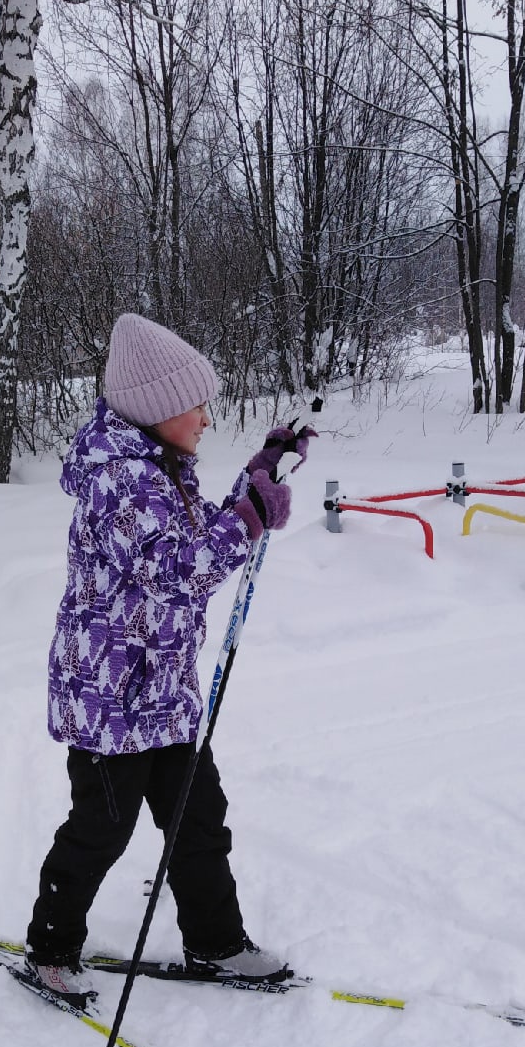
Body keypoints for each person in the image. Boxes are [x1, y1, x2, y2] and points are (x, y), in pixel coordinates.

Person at [25, 312, 311, 1007]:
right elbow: (179, 569)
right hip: (112, 700)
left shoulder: (158, 469)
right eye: (197, 406)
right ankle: (51, 948)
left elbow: (187, 540)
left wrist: (254, 478)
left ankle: (214, 941)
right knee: (102, 830)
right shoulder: (118, 482)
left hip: (163, 691)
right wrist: (249, 519)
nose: (208, 419)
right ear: (155, 410)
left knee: (197, 819)